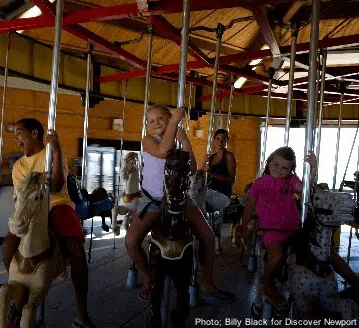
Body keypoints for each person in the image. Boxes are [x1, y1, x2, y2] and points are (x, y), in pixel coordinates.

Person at [125, 104, 236, 302]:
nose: (156, 123)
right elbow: (161, 151)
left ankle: (207, 284)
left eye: (161, 118)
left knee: (209, 238)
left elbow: (192, 168)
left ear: (169, 119)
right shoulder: (148, 140)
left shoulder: (176, 144)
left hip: (180, 198)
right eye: (151, 121)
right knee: (131, 241)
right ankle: (148, 278)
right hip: (153, 199)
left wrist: (185, 141)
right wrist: (175, 122)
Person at [2, 118, 94, 328]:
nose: (17, 139)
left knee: (76, 250)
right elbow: (21, 197)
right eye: (15, 135)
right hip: (32, 209)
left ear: (34, 133)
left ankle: (81, 314)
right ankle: (20, 299)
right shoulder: (19, 166)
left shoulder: (51, 153)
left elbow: (58, 184)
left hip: (57, 204)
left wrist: (58, 150)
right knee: (7, 246)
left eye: (19, 133)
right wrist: (36, 178)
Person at [242, 147, 317, 316]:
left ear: (291, 170)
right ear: (268, 163)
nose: (278, 170)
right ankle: (267, 284)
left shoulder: (290, 181)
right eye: (275, 165)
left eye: (285, 168)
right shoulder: (260, 183)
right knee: (278, 256)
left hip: (292, 229)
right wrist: (245, 225)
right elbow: (250, 204)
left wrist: (312, 169)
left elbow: (303, 188)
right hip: (272, 230)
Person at [201, 129, 237, 254]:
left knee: (208, 207)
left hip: (222, 193)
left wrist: (213, 173)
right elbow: (203, 175)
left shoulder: (229, 156)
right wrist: (203, 165)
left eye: (223, 139)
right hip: (210, 191)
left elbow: (231, 180)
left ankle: (215, 241)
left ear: (226, 141)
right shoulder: (211, 157)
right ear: (214, 140)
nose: (220, 141)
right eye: (218, 138)